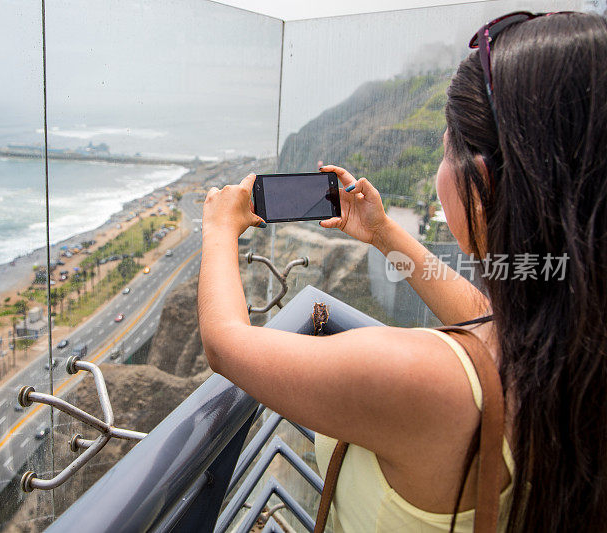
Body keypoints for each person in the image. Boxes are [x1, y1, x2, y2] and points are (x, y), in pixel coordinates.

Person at [198, 11, 607, 532]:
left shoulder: (419, 379)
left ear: (478, 179)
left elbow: (225, 344)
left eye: (443, 151)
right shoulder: (568, 343)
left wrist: (217, 229)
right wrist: (381, 234)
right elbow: (484, 319)